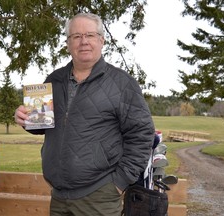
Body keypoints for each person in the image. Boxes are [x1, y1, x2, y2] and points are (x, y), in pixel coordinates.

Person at [15, 12, 155, 216]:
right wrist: (26, 120)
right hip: (60, 195)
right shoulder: (54, 80)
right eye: (76, 36)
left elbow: (142, 135)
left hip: (100, 196)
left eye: (89, 35)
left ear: (101, 40)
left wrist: (119, 182)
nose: (83, 42)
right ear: (68, 43)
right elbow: (46, 125)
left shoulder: (122, 83)